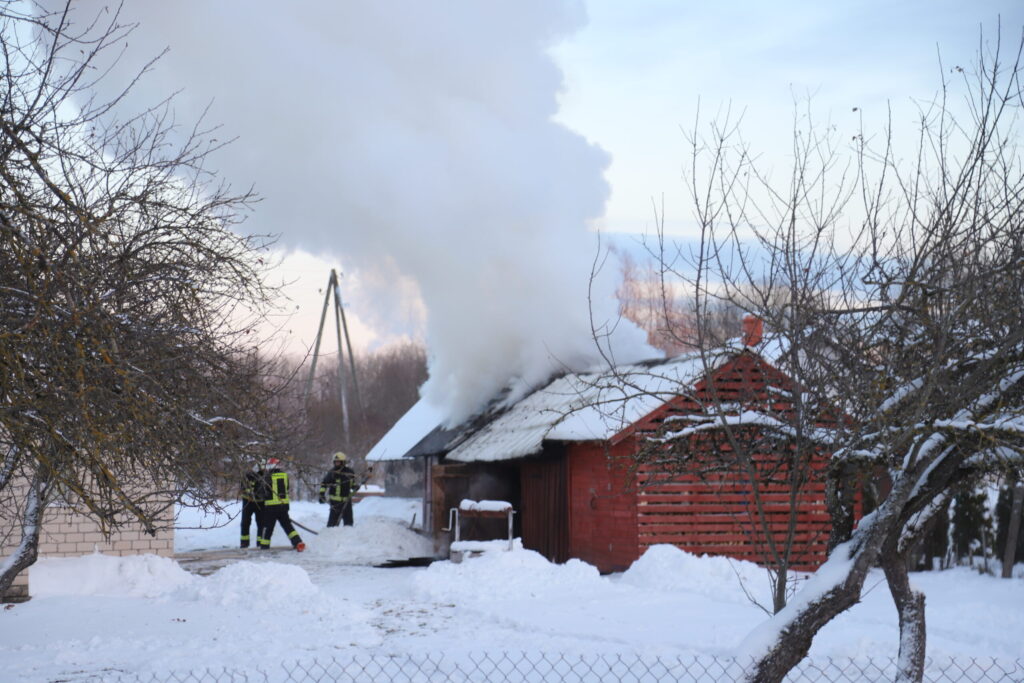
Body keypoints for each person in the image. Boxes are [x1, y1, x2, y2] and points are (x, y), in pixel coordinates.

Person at [258, 457, 305, 552]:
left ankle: (264, 546)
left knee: (268, 527)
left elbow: (262, 492)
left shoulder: (266, 477)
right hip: (283, 507)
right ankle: (297, 542)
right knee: (287, 526)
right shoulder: (284, 476)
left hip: (271, 508)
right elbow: (286, 488)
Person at [319, 452, 357, 527]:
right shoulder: (332, 473)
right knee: (331, 526)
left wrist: (355, 487)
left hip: (346, 502)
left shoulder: (350, 472)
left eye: (338, 462)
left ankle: (347, 538)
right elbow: (324, 484)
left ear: (343, 462)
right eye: (335, 462)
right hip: (335, 504)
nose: (337, 463)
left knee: (348, 525)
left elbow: (352, 484)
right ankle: (330, 537)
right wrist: (321, 495)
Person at [239, 462, 267, 548]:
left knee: (261, 523)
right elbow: (243, 487)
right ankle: (244, 542)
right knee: (245, 523)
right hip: (248, 502)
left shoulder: (265, 477)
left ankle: (260, 542)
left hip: (260, 503)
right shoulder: (248, 476)